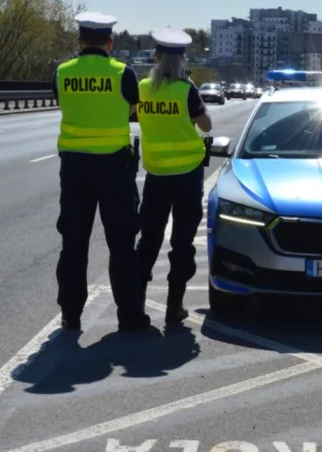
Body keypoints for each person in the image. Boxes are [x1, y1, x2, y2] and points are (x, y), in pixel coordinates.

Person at [52, 11, 151, 332]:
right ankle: (129, 316)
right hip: (114, 168)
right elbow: (132, 109)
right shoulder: (123, 73)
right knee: (121, 244)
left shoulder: (62, 72)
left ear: (79, 41)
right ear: (110, 42)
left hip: (74, 167)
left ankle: (70, 314)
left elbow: (61, 102)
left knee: (74, 244)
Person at [134, 28, 213, 323]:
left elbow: (130, 113)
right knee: (182, 242)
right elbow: (206, 126)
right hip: (187, 177)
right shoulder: (186, 90)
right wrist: (192, 89)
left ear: (156, 57)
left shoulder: (143, 88)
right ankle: (173, 307)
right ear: (182, 61)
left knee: (148, 239)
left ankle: (136, 305)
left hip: (156, 174)